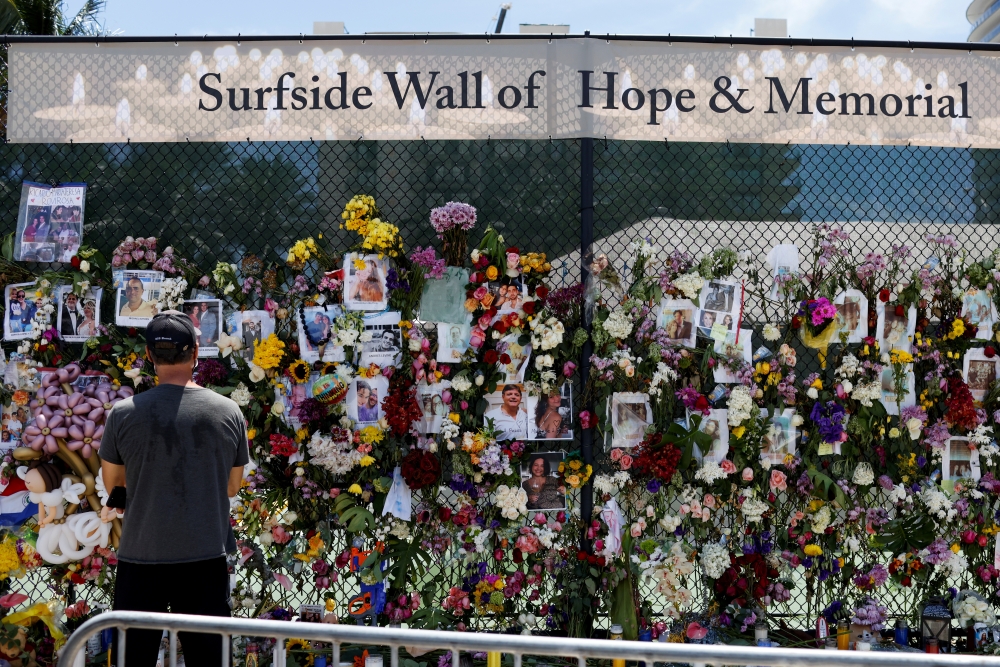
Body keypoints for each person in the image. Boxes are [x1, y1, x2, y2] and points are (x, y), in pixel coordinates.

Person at [99, 311, 248, 667]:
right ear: (196, 352)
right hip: (204, 555)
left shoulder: (122, 413)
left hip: (141, 555)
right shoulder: (228, 412)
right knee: (210, 660)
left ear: (149, 355)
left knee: (132, 659)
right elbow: (231, 486)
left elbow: (113, 484)